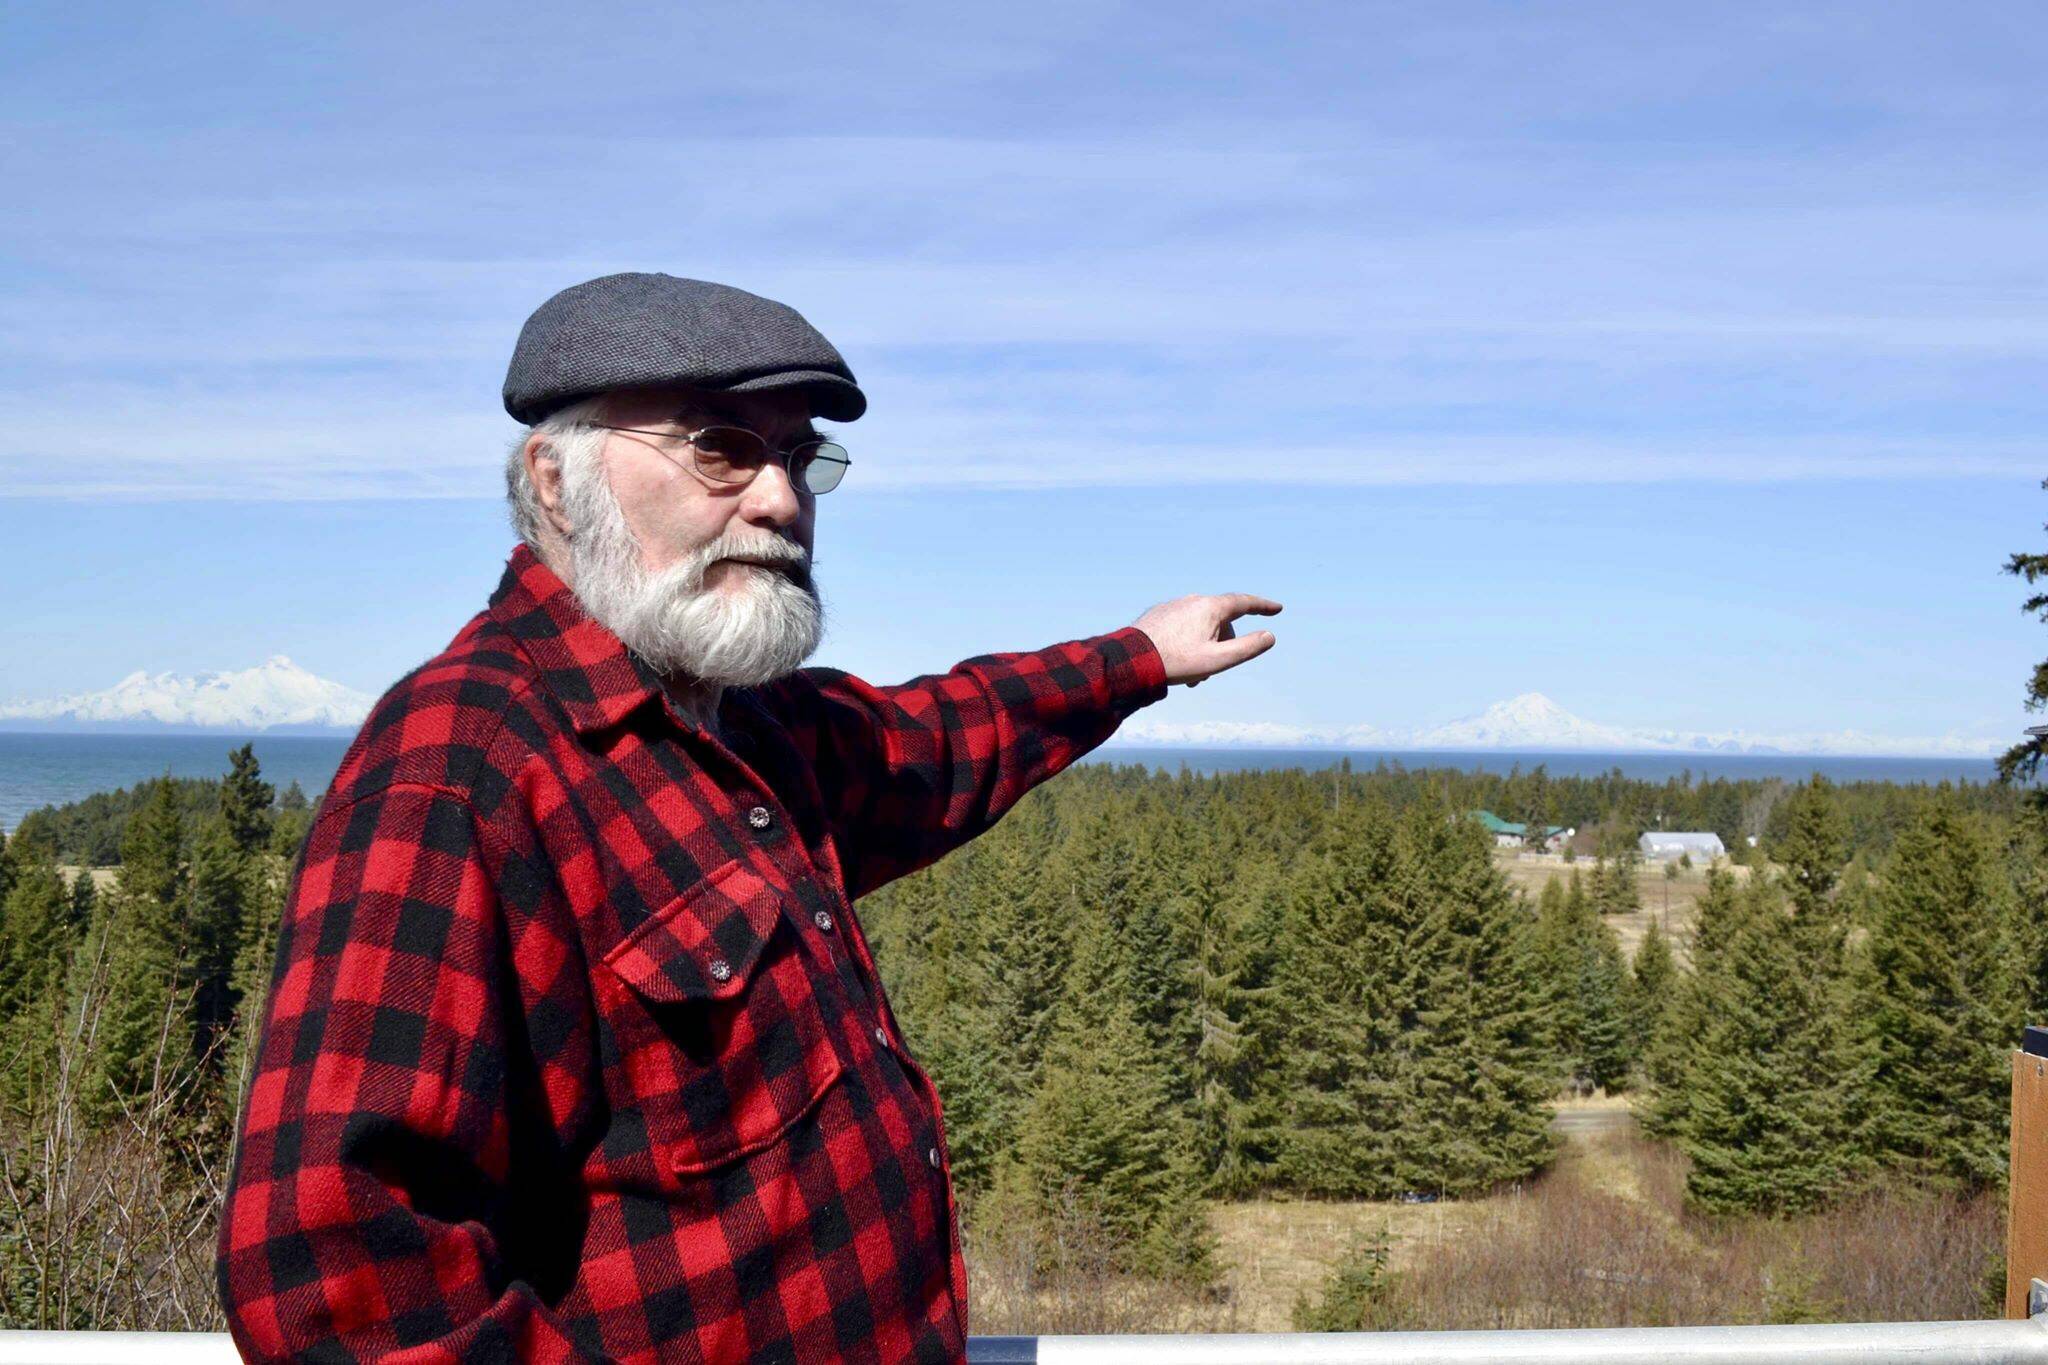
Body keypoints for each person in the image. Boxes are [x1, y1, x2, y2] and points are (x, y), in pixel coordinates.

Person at [215, 272, 1281, 1363]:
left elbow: (943, 734)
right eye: (721, 447)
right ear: (553, 478)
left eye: (799, 454)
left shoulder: (743, 726)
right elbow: (336, 1273)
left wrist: (1139, 657)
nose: (779, 499)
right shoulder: (463, 768)